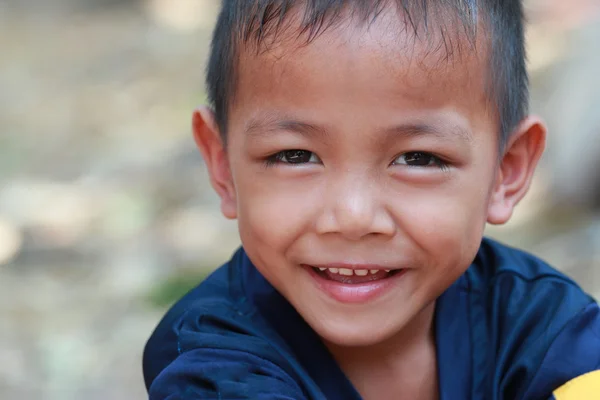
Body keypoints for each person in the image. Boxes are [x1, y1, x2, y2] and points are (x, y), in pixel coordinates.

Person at [142, 1, 600, 398]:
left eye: (418, 158)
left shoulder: (545, 328)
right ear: (222, 165)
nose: (353, 216)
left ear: (507, 170)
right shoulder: (212, 364)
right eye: (295, 155)